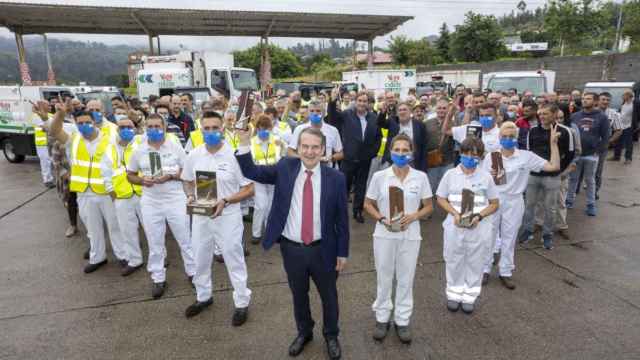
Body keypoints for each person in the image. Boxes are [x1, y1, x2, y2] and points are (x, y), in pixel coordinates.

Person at [235, 127, 349, 360]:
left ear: (323, 150)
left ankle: (331, 335)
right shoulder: (285, 168)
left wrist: (342, 252)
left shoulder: (336, 178)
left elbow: (341, 219)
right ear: (297, 148)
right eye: (305, 146)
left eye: (315, 147)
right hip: (292, 248)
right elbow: (251, 170)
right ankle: (304, 332)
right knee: (299, 295)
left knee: (329, 296)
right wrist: (245, 142)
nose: (309, 151)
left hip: (323, 249)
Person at [181, 111, 254, 324]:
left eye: (215, 128)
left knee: (234, 259)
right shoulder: (194, 154)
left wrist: (227, 200)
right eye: (207, 128)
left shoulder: (235, 156)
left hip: (228, 215)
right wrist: (190, 195)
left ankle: (241, 302)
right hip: (202, 215)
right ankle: (203, 296)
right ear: (201, 130)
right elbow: (186, 181)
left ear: (223, 128)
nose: (211, 132)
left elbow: (249, 188)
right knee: (200, 257)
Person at [363, 134, 434, 344]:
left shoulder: (420, 177)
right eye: (397, 150)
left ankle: (402, 320)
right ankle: (382, 318)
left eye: (405, 150)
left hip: (410, 236)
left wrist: (414, 216)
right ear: (391, 151)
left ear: (411, 153)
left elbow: (429, 206)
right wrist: (382, 218)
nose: (401, 154)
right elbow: (368, 203)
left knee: (406, 278)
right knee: (384, 277)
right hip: (384, 234)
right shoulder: (380, 176)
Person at [49, 101, 126, 274]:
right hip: (84, 192)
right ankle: (97, 257)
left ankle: (123, 255)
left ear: (94, 122)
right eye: (80, 123)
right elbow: (53, 131)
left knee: (115, 226)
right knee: (92, 228)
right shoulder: (73, 139)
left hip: (107, 191)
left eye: (87, 122)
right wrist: (60, 114)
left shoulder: (110, 139)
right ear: (76, 124)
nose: (84, 126)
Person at [481, 122, 560, 289]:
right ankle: (485, 269)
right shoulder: (492, 156)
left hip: (515, 201)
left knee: (509, 237)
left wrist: (553, 145)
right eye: (504, 136)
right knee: (489, 235)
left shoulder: (526, 156)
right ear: (499, 137)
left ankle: (506, 271)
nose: (508, 139)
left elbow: (554, 166)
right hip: (494, 200)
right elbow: (485, 182)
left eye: (511, 136)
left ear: (516, 138)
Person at [126, 114, 196, 299]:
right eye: (150, 126)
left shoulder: (174, 146)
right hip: (150, 201)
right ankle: (158, 278)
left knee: (185, 239)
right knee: (155, 242)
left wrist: (171, 176)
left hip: (175, 199)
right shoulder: (138, 150)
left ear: (164, 127)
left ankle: (193, 273)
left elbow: (187, 170)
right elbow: (130, 174)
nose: (154, 129)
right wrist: (142, 180)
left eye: (157, 126)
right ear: (145, 128)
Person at [436, 137, 499, 314]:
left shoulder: (486, 177)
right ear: (460, 153)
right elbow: (440, 198)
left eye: (474, 154)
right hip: (454, 227)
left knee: (475, 262)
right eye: (466, 153)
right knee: (454, 260)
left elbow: (494, 203)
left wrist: (479, 216)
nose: (470, 157)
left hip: (478, 228)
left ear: (480, 157)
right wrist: (455, 213)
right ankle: (453, 294)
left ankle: (470, 296)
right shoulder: (450, 175)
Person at [519, 103, 575, 249]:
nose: (542, 116)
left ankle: (547, 234)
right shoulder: (532, 131)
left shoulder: (565, 131)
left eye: (545, 113)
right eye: (540, 113)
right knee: (529, 205)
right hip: (534, 175)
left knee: (550, 207)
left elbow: (570, 154)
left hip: (553, 177)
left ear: (554, 114)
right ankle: (528, 230)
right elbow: (529, 152)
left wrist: (560, 170)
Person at [328, 88, 382, 224]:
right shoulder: (347, 114)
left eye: (365, 101)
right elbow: (332, 117)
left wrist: (373, 153)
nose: (362, 103)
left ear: (368, 103)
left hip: (365, 159)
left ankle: (357, 211)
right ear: (355, 101)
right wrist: (333, 101)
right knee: (344, 186)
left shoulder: (374, 118)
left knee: (361, 186)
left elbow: (378, 137)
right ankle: (340, 212)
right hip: (348, 158)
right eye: (359, 100)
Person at [100, 117, 146, 276]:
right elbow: (106, 174)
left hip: (143, 193)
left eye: (129, 126)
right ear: (117, 130)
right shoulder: (110, 149)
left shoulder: (141, 144)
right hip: (122, 197)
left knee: (152, 229)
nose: (126, 130)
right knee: (127, 231)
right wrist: (113, 193)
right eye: (122, 127)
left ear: (134, 128)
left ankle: (160, 257)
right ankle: (135, 260)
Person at [566, 92, 609, 216]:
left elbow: (606, 137)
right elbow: (570, 134)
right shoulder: (574, 116)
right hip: (576, 154)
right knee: (573, 179)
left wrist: (598, 151)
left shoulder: (602, 117)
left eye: (588, 99)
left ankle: (591, 205)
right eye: (584, 98)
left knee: (590, 180)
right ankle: (569, 201)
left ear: (595, 102)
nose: (584, 100)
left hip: (591, 155)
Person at [250, 115, 284, 243]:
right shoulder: (252, 142)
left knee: (271, 206)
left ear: (271, 128)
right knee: (260, 206)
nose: (264, 131)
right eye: (261, 128)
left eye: (267, 128)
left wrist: (283, 147)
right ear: (257, 128)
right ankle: (256, 233)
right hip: (258, 177)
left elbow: (282, 156)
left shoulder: (276, 140)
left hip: (273, 177)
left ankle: (271, 231)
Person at [288, 100, 344, 169]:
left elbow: (340, 153)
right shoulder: (299, 129)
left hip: (327, 170)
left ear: (324, 113)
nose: (315, 113)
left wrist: (330, 158)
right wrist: (304, 158)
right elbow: (290, 152)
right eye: (312, 111)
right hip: (305, 170)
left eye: (318, 111)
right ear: (308, 112)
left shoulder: (332, 130)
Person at [377, 101, 428, 173]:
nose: (402, 112)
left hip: (412, 162)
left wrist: (423, 168)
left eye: (404, 109)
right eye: (400, 110)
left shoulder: (419, 125)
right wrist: (382, 113)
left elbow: (423, 147)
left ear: (410, 112)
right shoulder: (392, 121)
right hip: (393, 161)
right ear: (397, 113)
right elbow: (380, 123)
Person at [596, 92, 623, 198]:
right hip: (587, 146)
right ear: (598, 100)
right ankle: (576, 190)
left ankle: (595, 191)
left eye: (608, 100)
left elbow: (619, 130)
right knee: (582, 169)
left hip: (602, 147)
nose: (605, 102)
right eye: (603, 99)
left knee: (598, 169)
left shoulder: (614, 114)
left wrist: (609, 141)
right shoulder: (591, 112)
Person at [424, 99, 456, 192]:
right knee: (431, 188)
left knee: (447, 189)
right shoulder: (427, 123)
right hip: (432, 162)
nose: (441, 110)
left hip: (448, 161)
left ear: (448, 110)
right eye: (439, 108)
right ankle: (432, 206)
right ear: (435, 109)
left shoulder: (453, 123)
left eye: (444, 108)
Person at [31, 100, 55, 188]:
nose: (50, 107)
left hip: (51, 142)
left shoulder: (51, 115)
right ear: (42, 106)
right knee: (45, 162)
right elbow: (46, 127)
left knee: (54, 160)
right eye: (48, 105)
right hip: (42, 144)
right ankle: (47, 180)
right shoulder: (36, 116)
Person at [610, 89, 635, 164]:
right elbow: (621, 112)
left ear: (628, 95)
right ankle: (616, 156)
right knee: (618, 141)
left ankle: (628, 158)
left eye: (624, 95)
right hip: (620, 126)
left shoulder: (634, 104)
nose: (622, 96)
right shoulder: (624, 103)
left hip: (629, 126)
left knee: (628, 143)